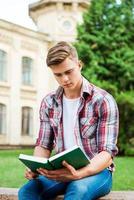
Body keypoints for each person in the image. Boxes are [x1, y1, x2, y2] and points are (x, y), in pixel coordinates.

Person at [18, 41, 119, 200]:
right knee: (27, 191)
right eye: (58, 74)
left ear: (79, 65)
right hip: (62, 170)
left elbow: (107, 153)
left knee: (77, 189)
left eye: (68, 71)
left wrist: (80, 174)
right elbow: (44, 145)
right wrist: (36, 167)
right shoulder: (48, 102)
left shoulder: (103, 101)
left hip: (97, 172)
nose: (65, 79)